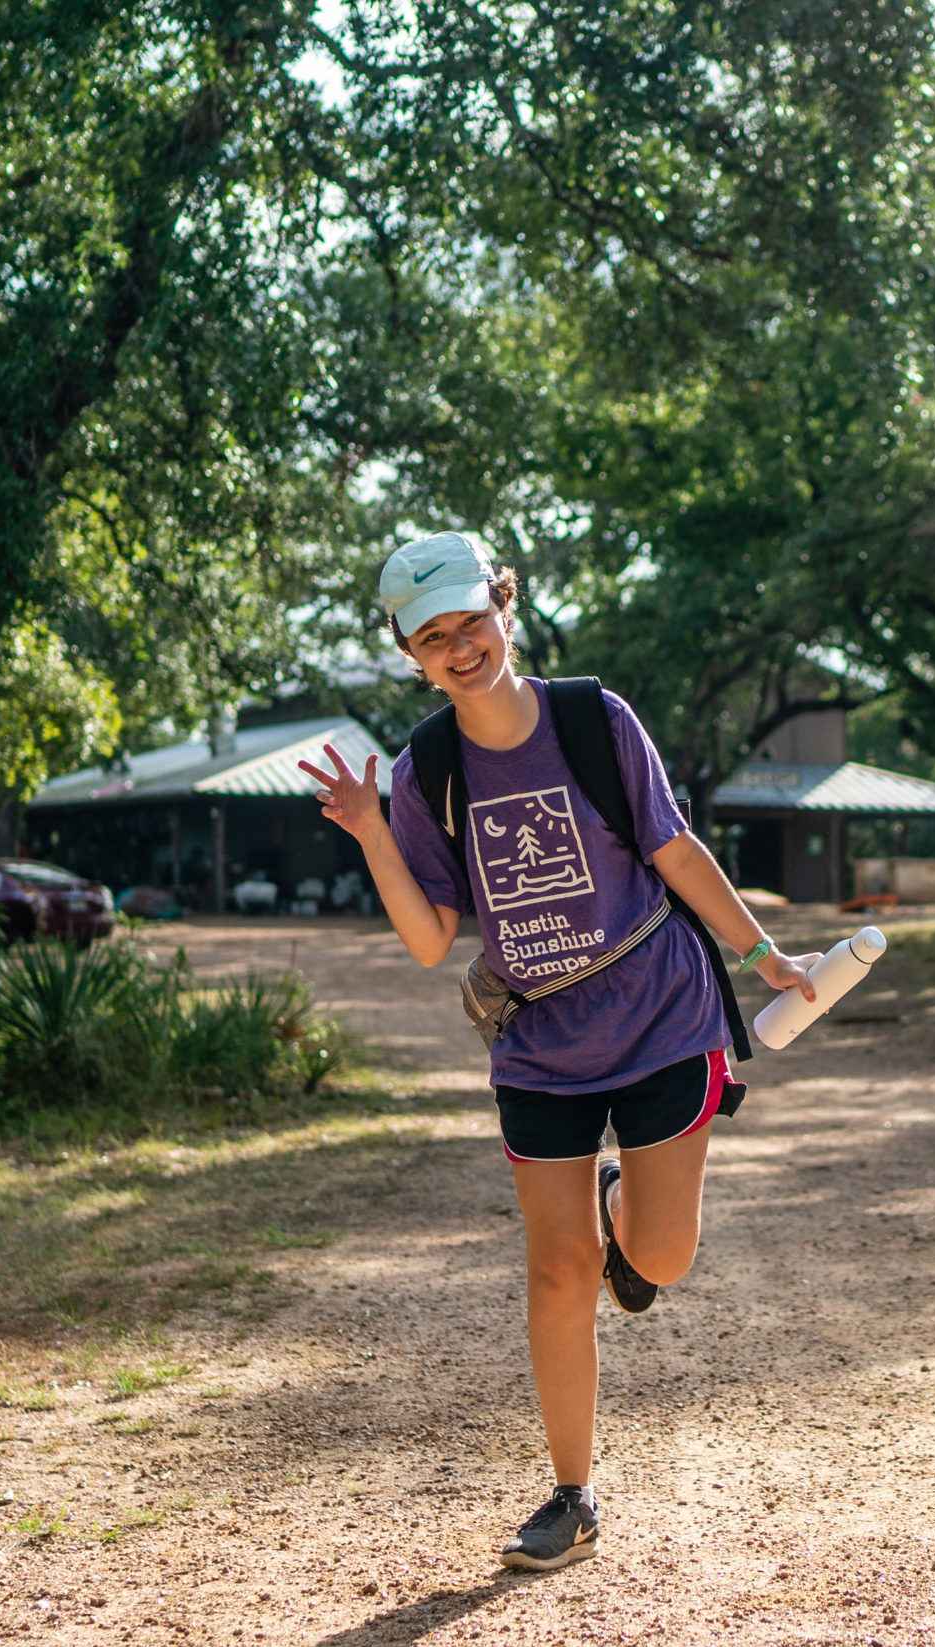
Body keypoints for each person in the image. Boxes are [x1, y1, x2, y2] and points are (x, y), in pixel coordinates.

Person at [298, 530, 817, 1573]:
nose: (459, 648)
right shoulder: (423, 771)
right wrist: (369, 833)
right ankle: (571, 1496)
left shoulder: (593, 718)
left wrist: (757, 949)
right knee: (556, 1269)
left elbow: (671, 845)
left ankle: (629, 1204)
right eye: (432, 637)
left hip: (662, 1008)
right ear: (408, 650)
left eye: (470, 622)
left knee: (657, 1257)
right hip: (539, 1042)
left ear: (505, 602)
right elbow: (430, 936)